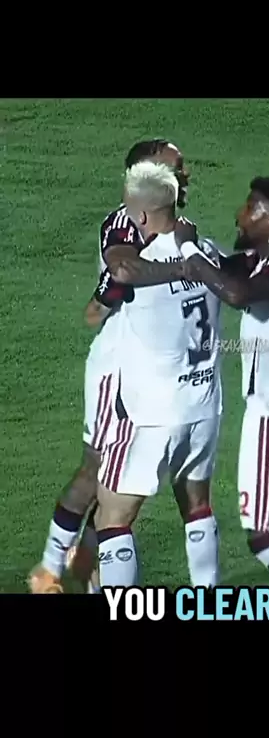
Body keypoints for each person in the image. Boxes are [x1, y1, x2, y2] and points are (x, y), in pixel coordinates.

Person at [29, 140, 189, 594]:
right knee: (97, 470)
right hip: (117, 370)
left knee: (128, 483)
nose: (184, 176)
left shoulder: (179, 228)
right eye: (174, 169)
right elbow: (121, 271)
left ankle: (91, 561)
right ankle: (50, 569)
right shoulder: (125, 223)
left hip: (158, 372)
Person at [161, 177, 269, 589]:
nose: (241, 214)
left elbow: (236, 293)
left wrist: (189, 250)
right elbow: (227, 268)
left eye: (251, 207)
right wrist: (195, 246)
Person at [93, 160, 223, 589]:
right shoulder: (208, 254)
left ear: (143, 216)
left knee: (112, 519)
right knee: (197, 507)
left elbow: (114, 285)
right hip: (202, 406)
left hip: (150, 415)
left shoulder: (141, 269)